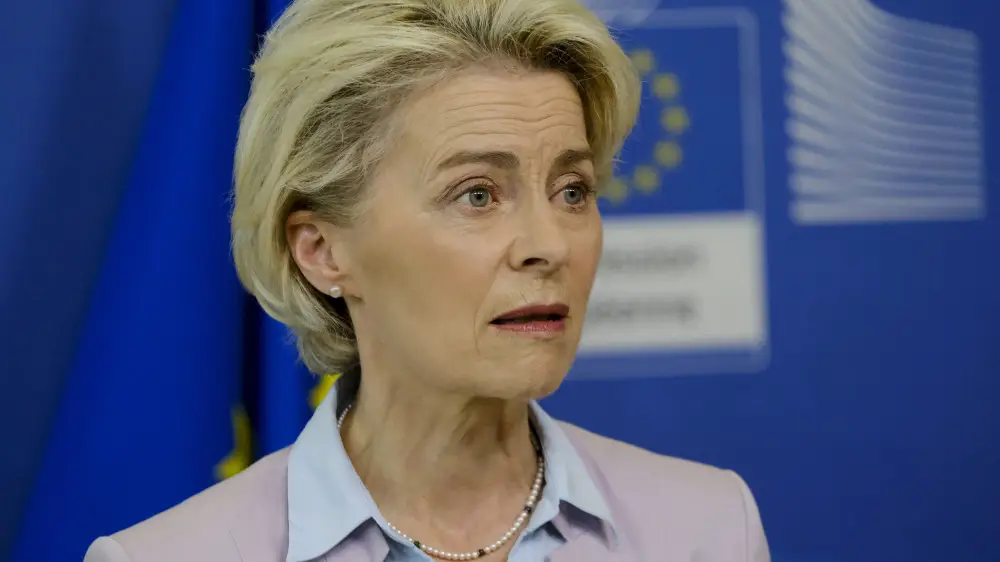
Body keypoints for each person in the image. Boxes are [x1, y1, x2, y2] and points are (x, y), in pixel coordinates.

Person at [85, 0, 770, 560]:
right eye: (478, 194)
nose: (549, 246)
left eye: (572, 190)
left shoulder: (709, 530)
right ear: (322, 250)